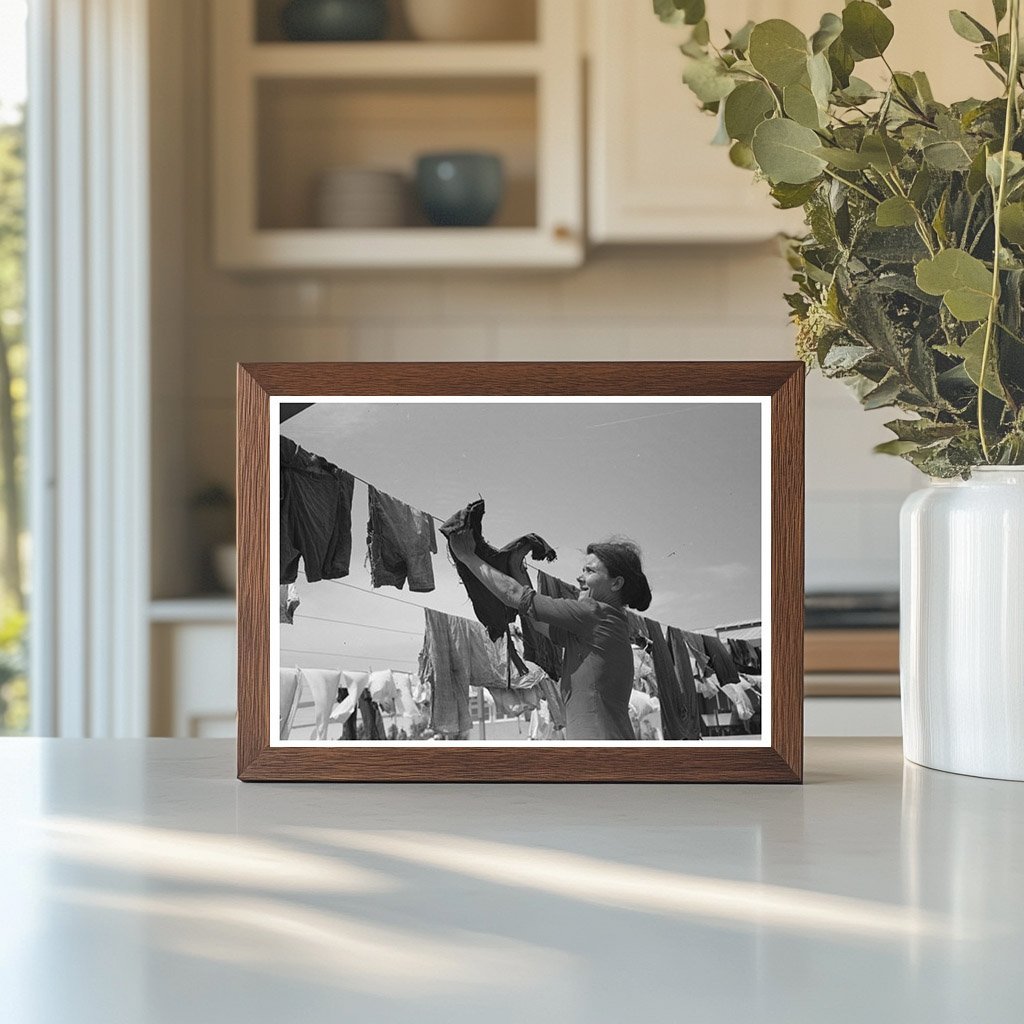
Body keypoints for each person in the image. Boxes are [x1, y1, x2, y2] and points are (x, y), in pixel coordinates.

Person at [447, 534, 652, 740]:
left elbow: (513, 594)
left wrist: (466, 555)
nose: (580, 578)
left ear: (616, 584)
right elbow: (537, 622)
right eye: (583, 570)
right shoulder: (608, 625)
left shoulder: (595, 614)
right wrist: (516, 565)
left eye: (590, 571)